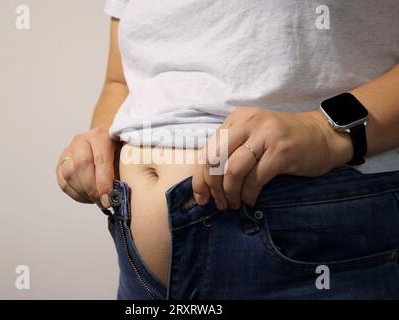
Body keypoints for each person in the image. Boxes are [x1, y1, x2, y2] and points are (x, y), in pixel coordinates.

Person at [56, 0, 399, 299]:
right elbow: (120, 81)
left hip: (307, 244)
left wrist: (325, 133)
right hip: (139, 270)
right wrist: (98, 144)